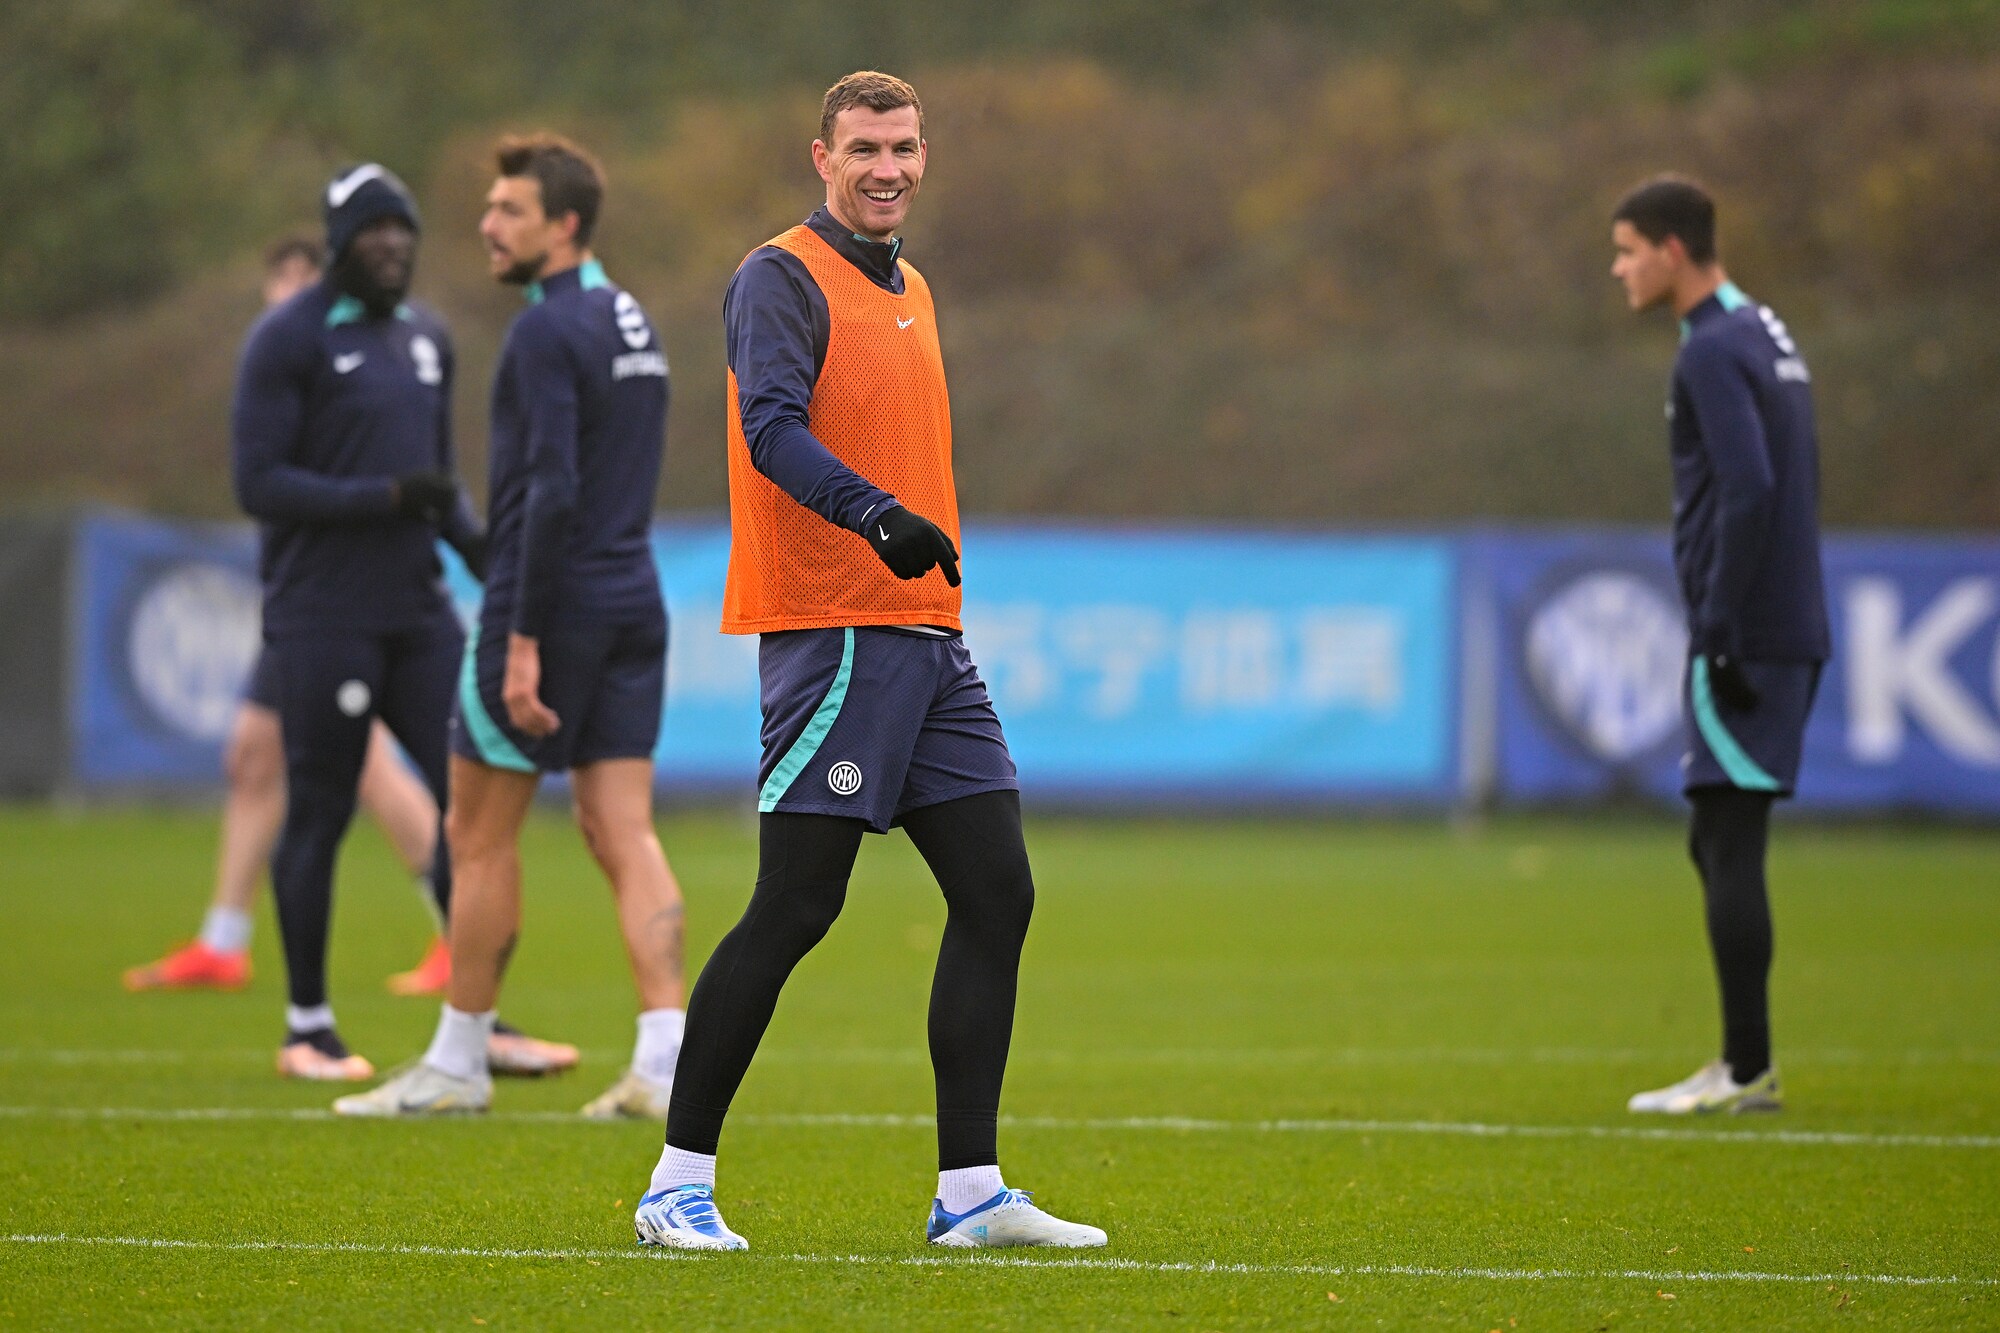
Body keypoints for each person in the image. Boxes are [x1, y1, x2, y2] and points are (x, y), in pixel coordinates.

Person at [628, 72, 1106, 1252]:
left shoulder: (914, 286)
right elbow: (770, 427)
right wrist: (875, 516)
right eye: (863, 149)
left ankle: (969, 1193)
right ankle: (675, 1184)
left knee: (997, 892)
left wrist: (911, 557)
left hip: (928, 637)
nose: (886, 168)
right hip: (836, 628)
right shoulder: (779, 275)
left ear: (923, 156)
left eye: (903, 147)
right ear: (821, 157)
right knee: (797, 903)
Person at [334, 134, 689, 1120]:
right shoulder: (630, 317)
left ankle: (458, 1063)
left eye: (509, 211)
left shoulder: (544, 331)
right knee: (623, 830)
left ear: (563, 224)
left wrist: (522, 636)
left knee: (478, 836)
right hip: (634, 598)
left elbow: (550, 490)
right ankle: (665, 1061)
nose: (487, 225)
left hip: (553, 607)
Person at [233, 165, 573, 1081]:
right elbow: (258, 482)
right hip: (322, 616)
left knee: (473, 814)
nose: (391, 246)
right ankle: (308, 1027)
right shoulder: (287, 339)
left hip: (420, 615)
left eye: (403, 231)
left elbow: (438, 486)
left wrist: (492, 559)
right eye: (373, 232)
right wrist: (382, 497)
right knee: (319, 811)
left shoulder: (427, 336)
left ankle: (479, 1020)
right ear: (340, 244)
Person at [124, 236, 449, 1000]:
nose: (292, 294)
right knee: (253, 754)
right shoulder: (279, 360)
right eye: (281, 280)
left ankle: (452, 926)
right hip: (297, 596)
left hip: (342, 602)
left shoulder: (361, 355)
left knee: (363, 765)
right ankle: (223, 939)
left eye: (303, 278)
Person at [1609, 175, 1829, 1115]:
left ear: (1671, 249)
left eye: (1627, 250)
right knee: (1719, 838)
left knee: (1725, 839)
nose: (1618, 269)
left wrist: (1722, 624)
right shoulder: (1764, 332)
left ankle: (1746, 1068)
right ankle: (1745, 1061)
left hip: (1748, 628)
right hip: (1792, 616)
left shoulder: (1709, 351)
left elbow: (1748, 484)